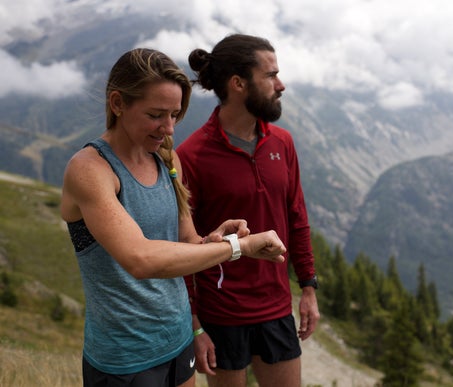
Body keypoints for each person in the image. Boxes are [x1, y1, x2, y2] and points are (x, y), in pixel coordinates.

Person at [60, 48, 287, 387]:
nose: (168, 129)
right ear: (118, 103)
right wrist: (239, 248)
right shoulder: (90, 169)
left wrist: (216, 239)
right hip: (125, 358)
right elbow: (141, 259)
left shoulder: (167, 160)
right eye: (156, 115)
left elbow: (185, 242)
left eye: (175, 115)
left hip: (177, 342)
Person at [176, 34, 320, 387]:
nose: (280, 85)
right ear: (238, 83)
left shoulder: (282, 142)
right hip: (221, 315)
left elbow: (296, 218)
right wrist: (195, 325)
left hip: (275, 308)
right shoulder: (192, 156)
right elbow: (183, 246)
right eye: (270, 76)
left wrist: (309, 289)